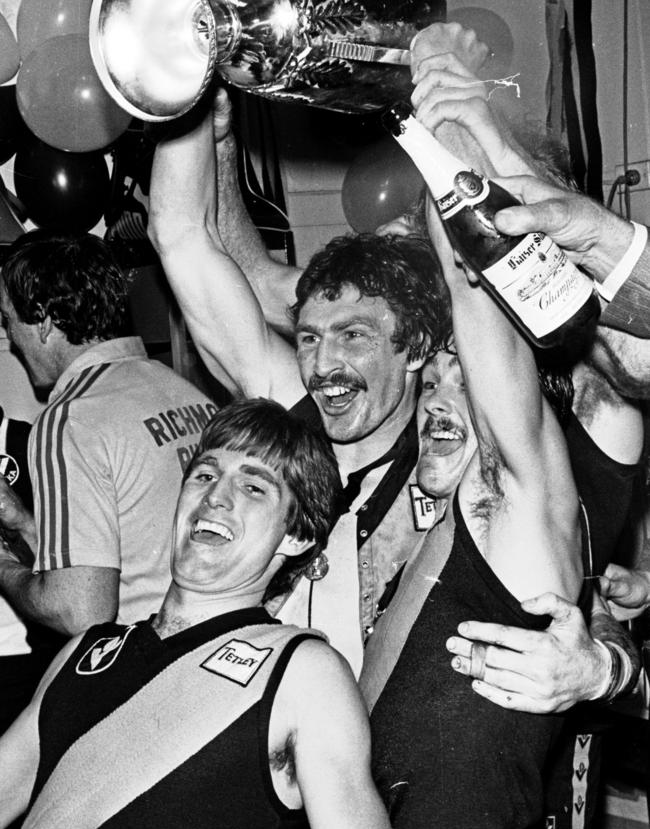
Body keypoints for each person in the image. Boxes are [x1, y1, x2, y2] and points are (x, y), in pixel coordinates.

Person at [0, 399, 398, 829]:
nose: (215, 497)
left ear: (296, 535)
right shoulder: (84, 652)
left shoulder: (302, 675)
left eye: (253, 487)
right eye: (205, 476)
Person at [148, 109, 457, 673]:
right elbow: (180, 236)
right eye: (309, 337)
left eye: (354, 336)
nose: (324, 364)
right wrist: (185, 103)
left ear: (414, 350)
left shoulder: (455, 449)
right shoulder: (294, 414)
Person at [359, 179, 584, 829]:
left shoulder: (520, 504)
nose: (437, 400)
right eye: (431, 383)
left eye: (465, 381)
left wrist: (438, 136)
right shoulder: (440, 535)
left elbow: (473, 282)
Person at [0, 230, 218, 637]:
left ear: (44, 322)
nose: (10, 338)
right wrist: (25, 524)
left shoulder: (71, 419)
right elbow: (122, 551)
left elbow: (80, 612)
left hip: (147, 663)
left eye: (8, 321)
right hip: (210, 644)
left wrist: (3, 565)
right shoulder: (186, 392)